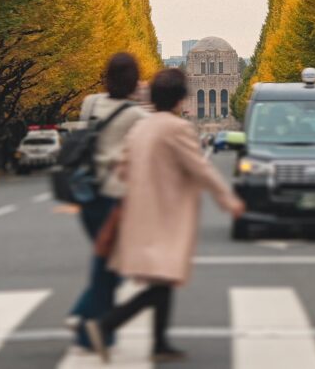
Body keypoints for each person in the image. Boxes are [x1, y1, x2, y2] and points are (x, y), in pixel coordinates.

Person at [85, 68, 245, 362]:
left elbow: (123, 167)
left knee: (163, 277)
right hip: (165, 212)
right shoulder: (177, 128)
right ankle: (107, 323)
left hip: (138, 209)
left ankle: (159, 342)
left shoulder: (142, 126)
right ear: (180, 99)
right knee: (165, 277)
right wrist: (227, 199)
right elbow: (200, 167)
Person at [69, 53, 149, 351]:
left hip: (88, 193)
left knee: (105, 263)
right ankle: (88, 324)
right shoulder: (138, 116)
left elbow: (84, 138)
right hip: (117, 200)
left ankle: (88, 319)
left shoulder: (90, 103)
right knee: (112, 266)